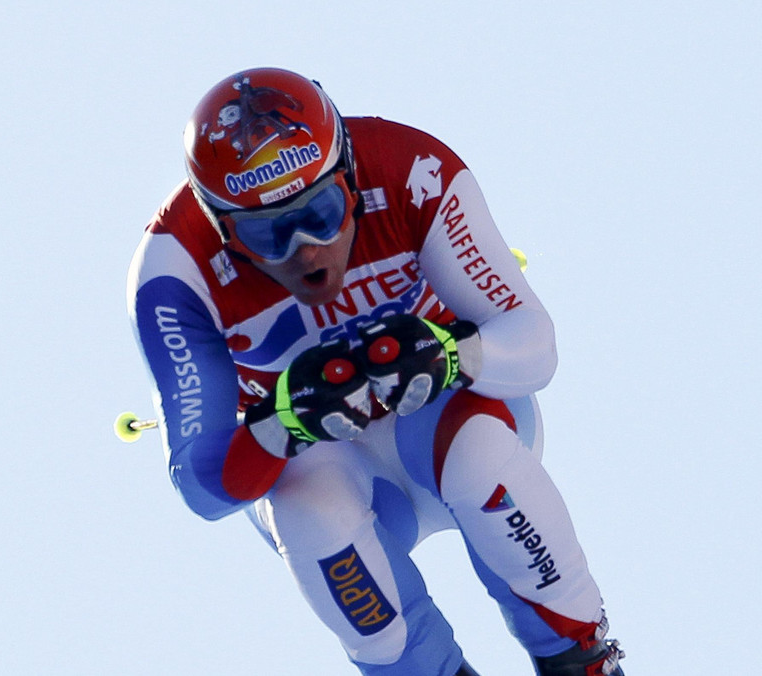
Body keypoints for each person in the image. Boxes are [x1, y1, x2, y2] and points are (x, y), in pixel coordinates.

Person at [126, 67, 626, 676]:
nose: (306, 250)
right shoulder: (173, 270)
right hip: (322, 465)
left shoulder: (407, 167)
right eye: (268, 233)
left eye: (324, 211)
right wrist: (285, 422)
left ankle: (583, 661)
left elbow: (532, 344)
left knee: (478, 456)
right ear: (222, 230)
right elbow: (200, 486)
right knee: (309, 513)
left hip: (443, 423)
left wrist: (449, 355)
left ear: (351, 179)